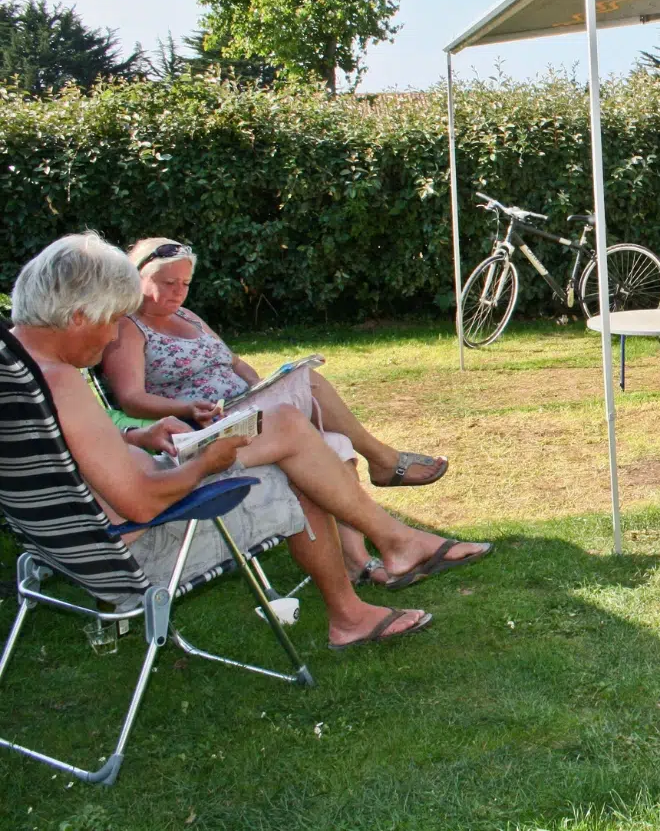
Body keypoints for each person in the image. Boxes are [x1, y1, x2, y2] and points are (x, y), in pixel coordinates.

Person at [9, 233, 491, 649]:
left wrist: (135, 435)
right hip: (140, 545)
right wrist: (209, 463)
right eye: (111, 319)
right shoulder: (59, 381)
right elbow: (139, 502)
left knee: (281, 422)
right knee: (295, 467)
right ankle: (354, 609)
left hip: (71, 546)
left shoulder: (18, 368)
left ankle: (395, 545)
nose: (114, 332)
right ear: (76, 316)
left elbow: (71, 448)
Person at [101, 237, 446, 586]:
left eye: (185, 284)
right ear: (137, 277)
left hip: (242, 405)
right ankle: (384, 461)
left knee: (335, 441)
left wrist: (260, 385)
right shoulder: (129, 327)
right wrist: (186, 406)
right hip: (204, 425)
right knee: (307, 382)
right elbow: (131, 398)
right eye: (167, 283)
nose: (178, 292)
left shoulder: (188, 316)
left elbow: (234, 361)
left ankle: (357, 561)